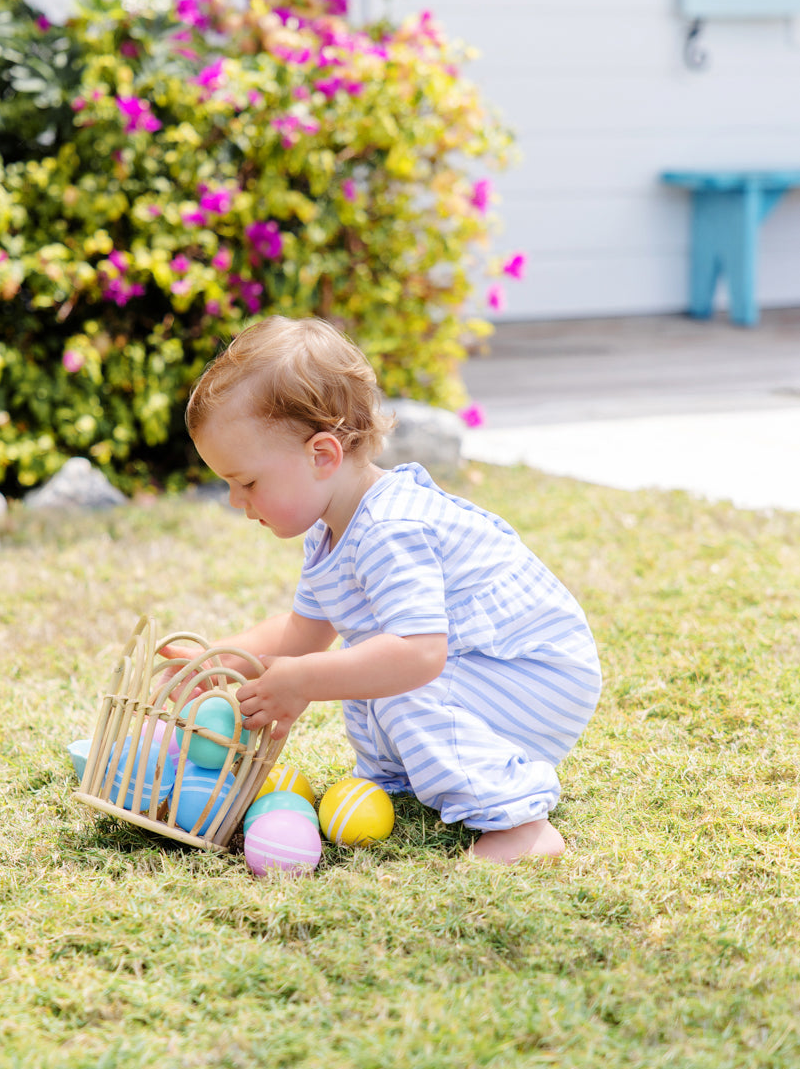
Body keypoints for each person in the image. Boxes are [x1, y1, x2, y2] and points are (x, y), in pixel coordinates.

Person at [177, 316, 602, 864]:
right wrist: (214, 662)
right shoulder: (330, 533)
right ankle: (415, 775)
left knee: (391, 673)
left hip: (530, 671)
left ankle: (522, 823)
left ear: (322, 455)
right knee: (371, 666)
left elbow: (421, 654)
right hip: (487, 666)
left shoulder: (388, 529)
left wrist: (304, 681)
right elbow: (300, 635)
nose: (238, 502)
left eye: (248, 483)